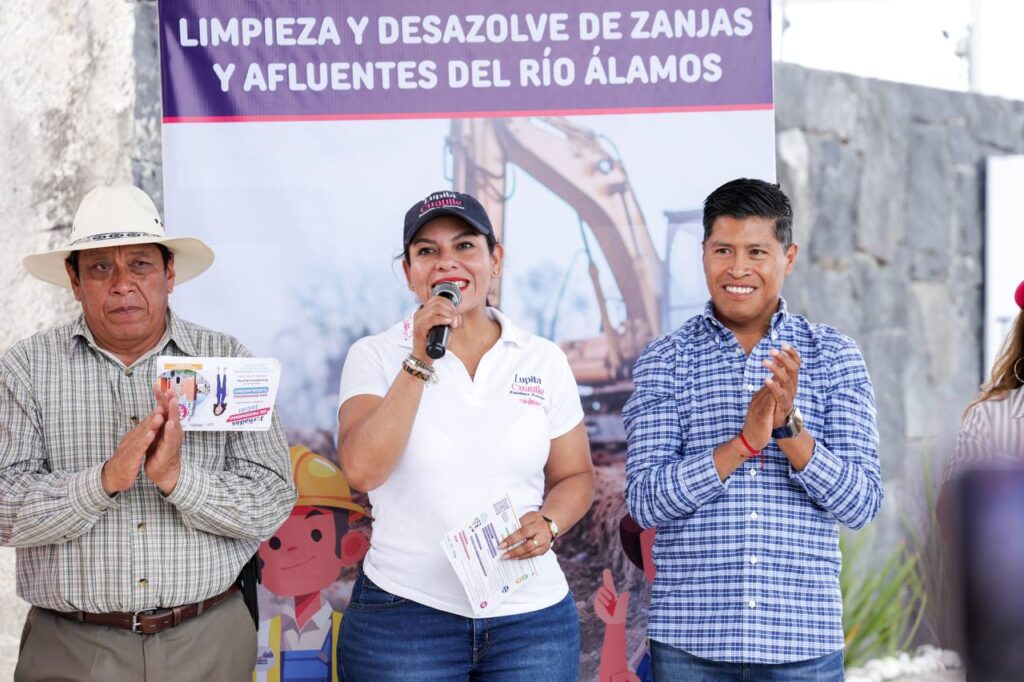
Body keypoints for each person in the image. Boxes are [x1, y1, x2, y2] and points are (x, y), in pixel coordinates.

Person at [0, 184, 296, 681]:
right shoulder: (26, 368)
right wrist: (103, 482)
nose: (122, 285)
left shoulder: (227, 359)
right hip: (72, 648)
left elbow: (272, 499)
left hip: (208, 640)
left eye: (140, 265)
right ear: (74, 281)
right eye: (100, 268)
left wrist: (179, 480)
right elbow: (3, 508)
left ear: (169, 273)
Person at [623, 178, 882, 680]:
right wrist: (742, 444)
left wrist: (788, 429)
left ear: (789, 257)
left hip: (802, 645)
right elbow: (645, 501)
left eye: (757, 252)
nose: (738, 269)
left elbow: (862, 504)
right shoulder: (665, 359)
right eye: (723, 250)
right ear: (703, 254)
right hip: (690, 644)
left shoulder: (834, 355)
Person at [335, 190, 595, 681]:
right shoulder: (374, 355)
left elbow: (576, 475)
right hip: (405, 619)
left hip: (531, 622)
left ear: (495, 260)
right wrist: (420, 358)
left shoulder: (542, 359)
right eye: (427, 251)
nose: (446, 262)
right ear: (408, 272)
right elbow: (363, 471)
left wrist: (550, 523)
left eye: (465, 246)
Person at [254, 445, 369, 682]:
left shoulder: (354, 634)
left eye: (316, 535)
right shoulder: (259, 637)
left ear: (350, 546)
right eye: (275, 541)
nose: (293, 548)